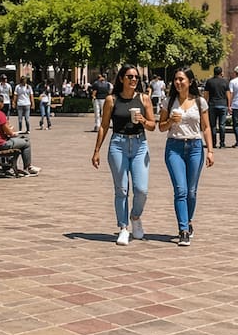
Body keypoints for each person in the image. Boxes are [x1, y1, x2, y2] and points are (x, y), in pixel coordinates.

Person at [92, 65, 155, 246]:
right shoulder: (112, 100)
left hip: (139, 145)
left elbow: (153, 125)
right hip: (118, 144)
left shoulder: (144, 99)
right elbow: (104, 125)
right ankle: (123, 227)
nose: (133, 80)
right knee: (121, 189)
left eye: (136, 77)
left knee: (141, 189)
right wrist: (97, 150)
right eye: (129, 76)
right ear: (121, 78)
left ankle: (135, 216)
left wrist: (143, 121)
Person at [159, 68, 213, 246]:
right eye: (176, 79)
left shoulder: (200, 102)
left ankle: (188, 221)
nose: (178, 82)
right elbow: (161, 127)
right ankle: (183, 229)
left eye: (181, 79)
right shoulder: (169, 101)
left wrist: (210, 151)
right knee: (180, 190)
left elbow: (206, 127)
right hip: (174, 147)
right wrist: (170, 122)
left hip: (195, 147)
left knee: (191, 191)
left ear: (190, 81)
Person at [0, 94, 40, 175]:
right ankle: (28, 167)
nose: (3, 104)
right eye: (2, 102)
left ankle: (9, 165)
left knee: (22, 138)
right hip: (1, 144)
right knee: (26, 143)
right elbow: (9, 133)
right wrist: (12, 130)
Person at [204, 67, 229, 148]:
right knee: (222, 125)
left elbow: (206, 95)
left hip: (212, 105)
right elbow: (228, 95)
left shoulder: (209, 81)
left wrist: (204, 105)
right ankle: (222, 143)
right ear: (221, 73)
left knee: (213, 125)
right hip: (223, 104)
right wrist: (229, 105)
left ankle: (213, 143)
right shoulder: (225, 82)